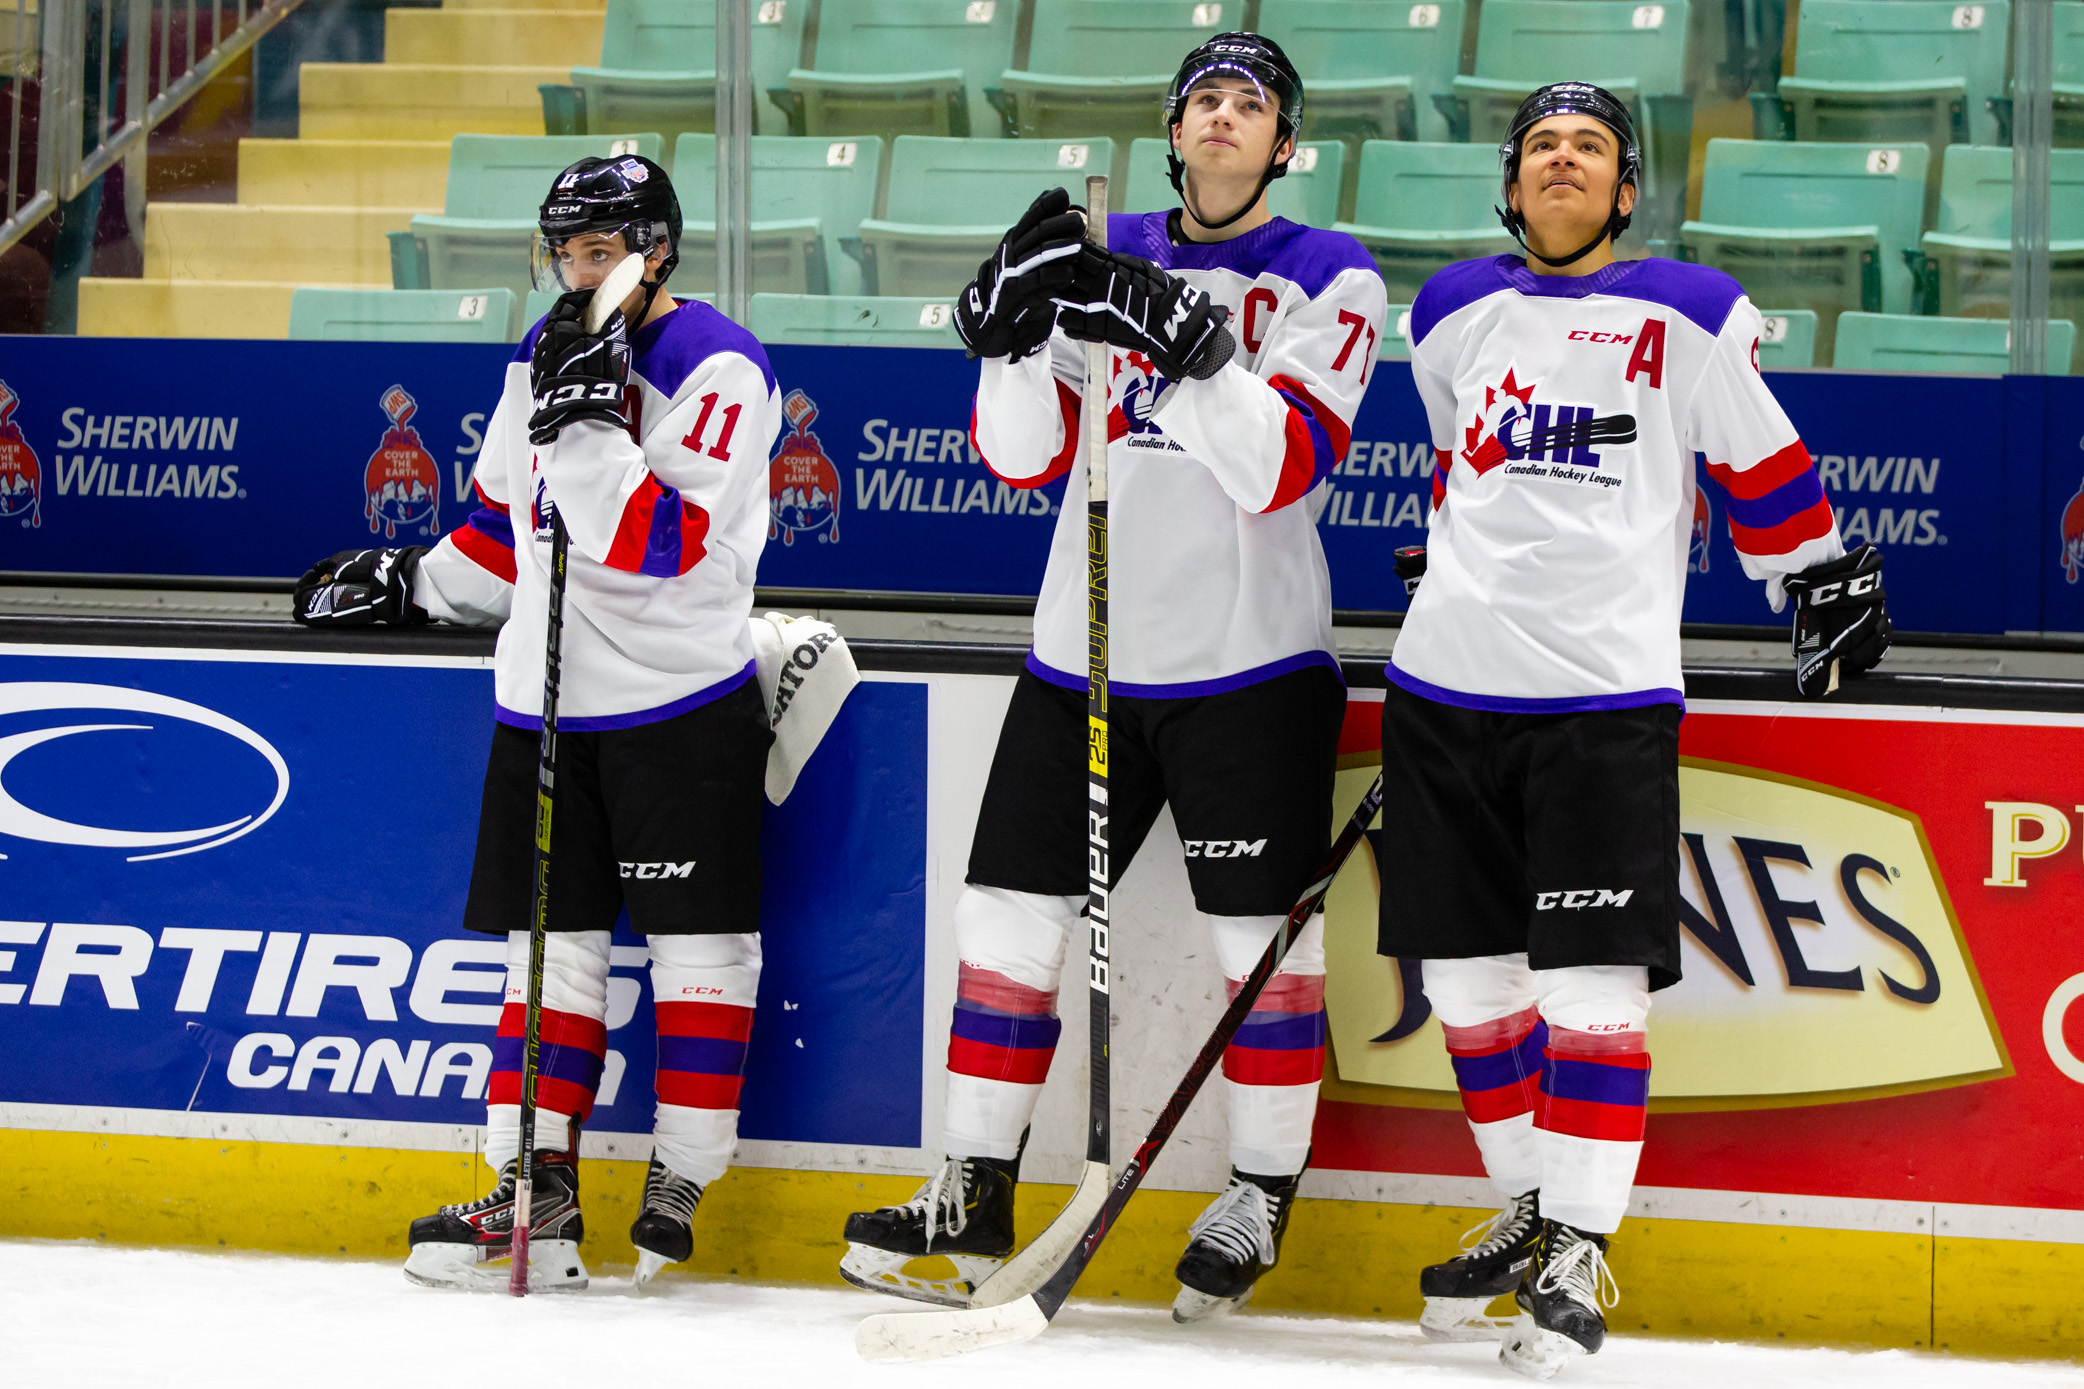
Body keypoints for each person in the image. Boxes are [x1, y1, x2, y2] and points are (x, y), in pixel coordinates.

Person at [837, 33, 1388, 1323]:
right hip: (1079, 653)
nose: (1222, 118)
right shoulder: (1109, 245)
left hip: (1247, 667)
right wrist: (1009, 339)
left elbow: (1283, 469)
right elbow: (1020, 460)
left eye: (1250, 106)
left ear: (1282, 145)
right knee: (1003, 925)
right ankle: (972, 1188)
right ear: (1171, 127)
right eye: (1203, 99)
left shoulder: (1330, 277)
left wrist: (1193, 356)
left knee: (1255, 949)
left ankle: (1258, 1189)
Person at [1383, 83, 1889, 1377]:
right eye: (1541, 145)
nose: (1563, 160)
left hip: (1603, 701)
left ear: (1623, 193)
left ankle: (1581, 1248)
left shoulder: (1693, 311)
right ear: (1512, 184)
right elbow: (1458, 463)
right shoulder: (1446, 314)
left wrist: (1818, 573)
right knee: (1467, 984)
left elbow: (1762, 466)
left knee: (1591, 991)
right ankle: (1529, 1208)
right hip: (1443, 690)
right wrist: (1444, 552)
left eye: (1590, 149)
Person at [291, 154, 785, 1291]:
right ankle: (536, 1195)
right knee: (545, 961)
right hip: (544, 707)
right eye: (565, 250)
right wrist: (411, 582)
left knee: (700, 956)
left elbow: (655, 545)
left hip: (679, 706)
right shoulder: (539, 351)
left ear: (656, 251)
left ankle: (683, 1172)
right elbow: (508, 536)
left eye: (601, 249)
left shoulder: (721, 365)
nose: (578, 269)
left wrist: (592, 431)